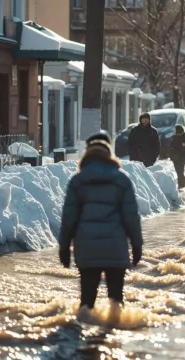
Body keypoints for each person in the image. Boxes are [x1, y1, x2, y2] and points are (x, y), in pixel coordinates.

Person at [59, 131, 143, 311]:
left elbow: (69, 218)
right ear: (109, 153)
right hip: (115, 247)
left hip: (86, 248)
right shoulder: (122, 180)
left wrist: (64, 247)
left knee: (87, 303)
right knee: (116, 302)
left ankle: (80, 334)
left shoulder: (77, 181)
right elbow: (131, 217)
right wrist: (137, 245)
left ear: (87, 153)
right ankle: (114, 332)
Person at [170, 124, 185, 189]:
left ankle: (181, 184)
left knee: (180, 170)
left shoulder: (184, 137)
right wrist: (171, 155)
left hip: (182, 156)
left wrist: (184, 147)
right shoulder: (174, 137)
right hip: (175, 157)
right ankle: (181, 183)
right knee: (178, 170)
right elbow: (170, 147)